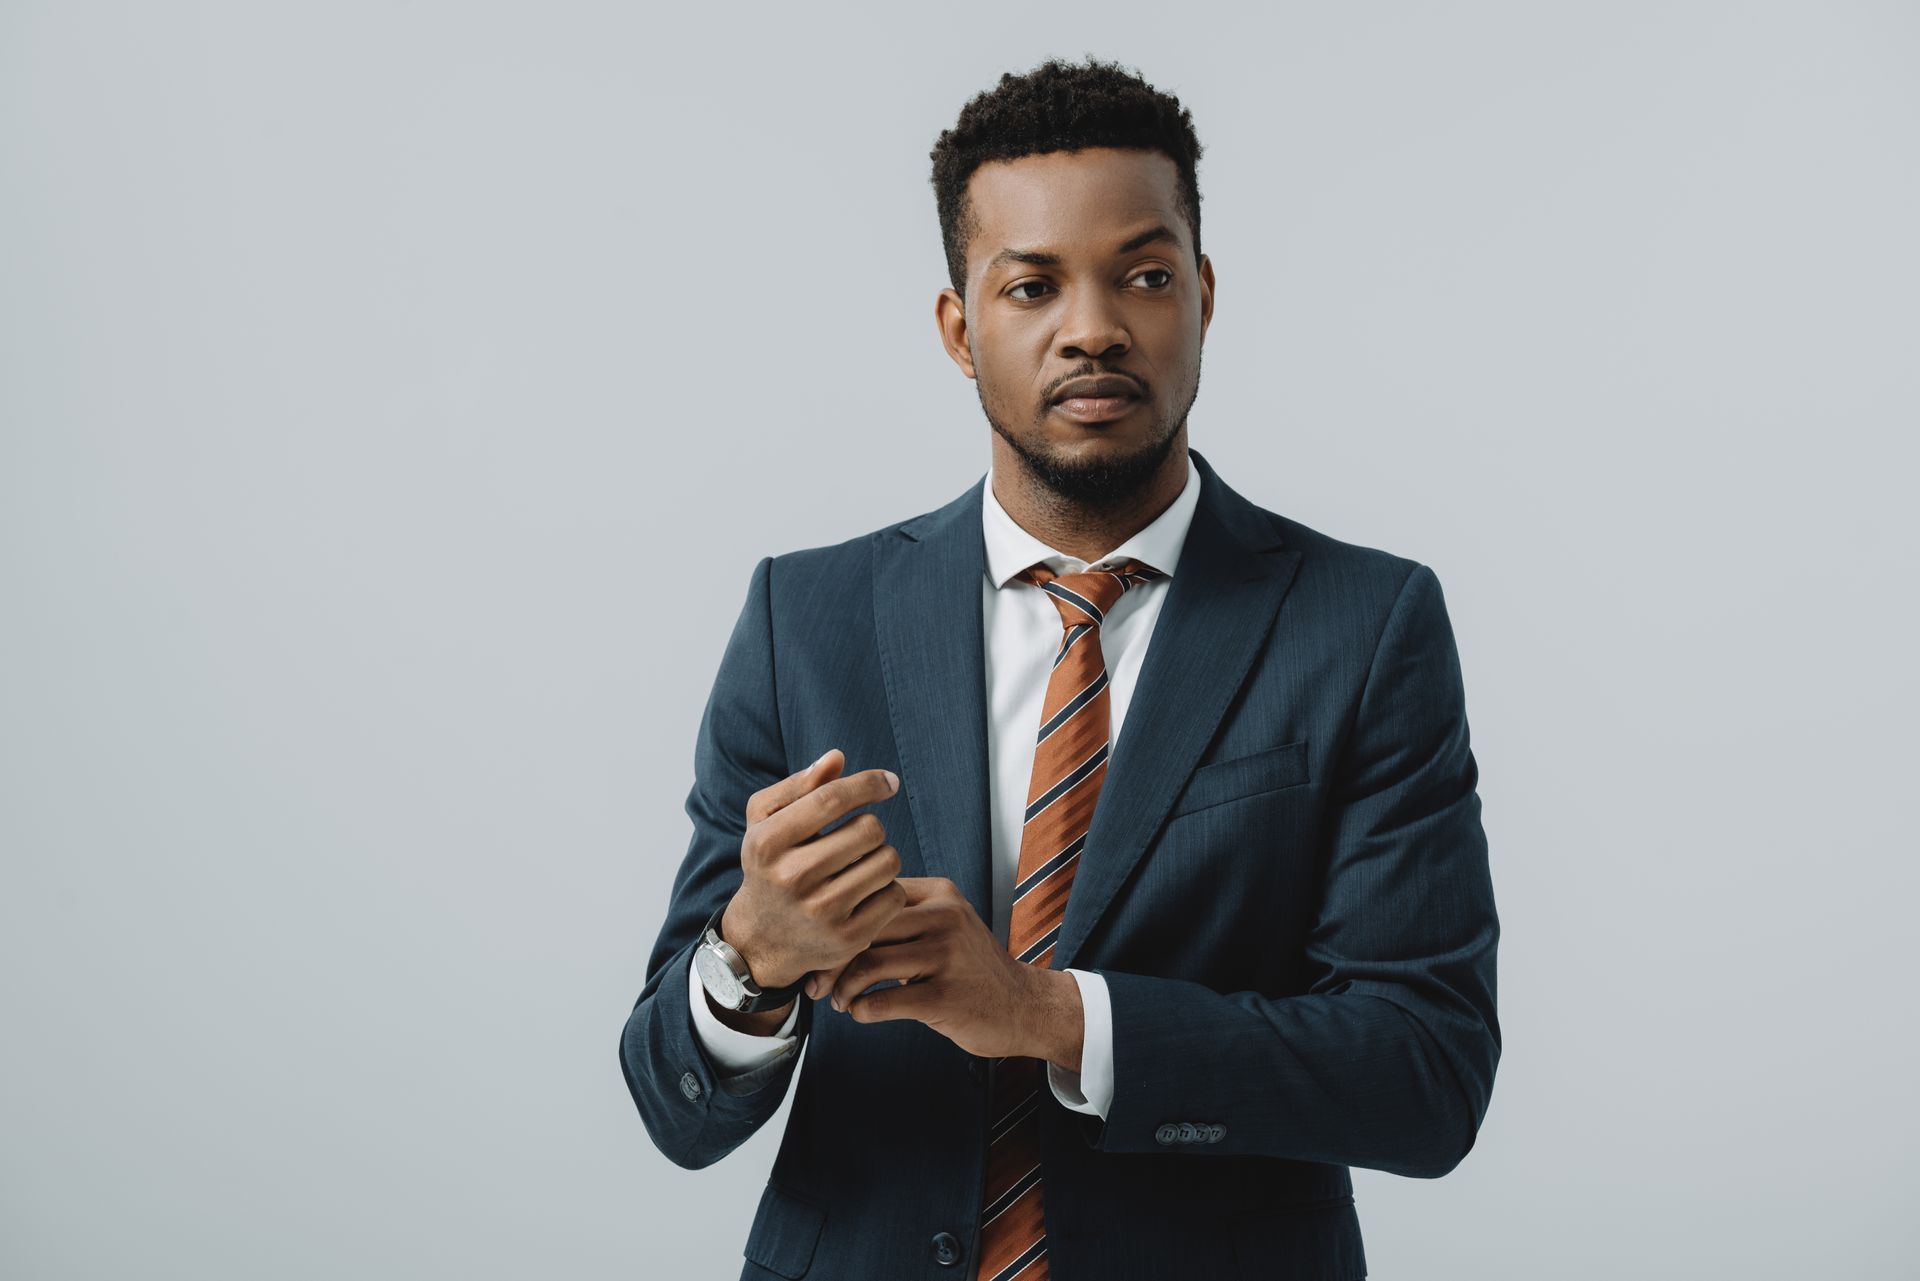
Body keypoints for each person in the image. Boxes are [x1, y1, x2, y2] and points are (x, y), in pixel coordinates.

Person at [618, 55, 1500, 1281]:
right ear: (959, 327)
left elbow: (1426, 1075)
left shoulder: (1363, 624)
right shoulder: (805, 618)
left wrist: (1046, 1015)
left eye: (1142, 276)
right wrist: (749, 961)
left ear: (1201, 294)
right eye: (1032, 285)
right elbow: (675, 1106)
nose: (1094, 327)